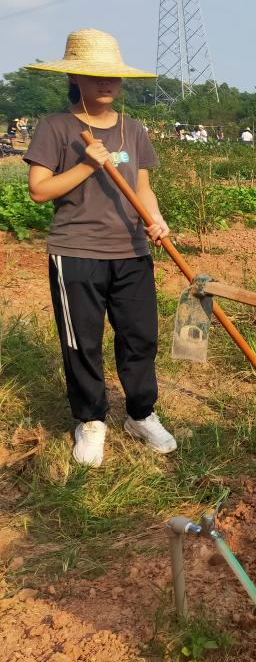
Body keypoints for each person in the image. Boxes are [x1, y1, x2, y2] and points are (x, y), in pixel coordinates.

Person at [22, 28, 178, 467]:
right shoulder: (56, 127)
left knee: (140, 336)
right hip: (76, 251)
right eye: (94, 74)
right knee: (82, 342)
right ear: (75, 77)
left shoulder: (133, 129)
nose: (106, 82)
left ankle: (140, 414)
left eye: (112, 75)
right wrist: (89, 165)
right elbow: (39, 190)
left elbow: (142, 187)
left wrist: (155, 218)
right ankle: (91, 420)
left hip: (131, 251)